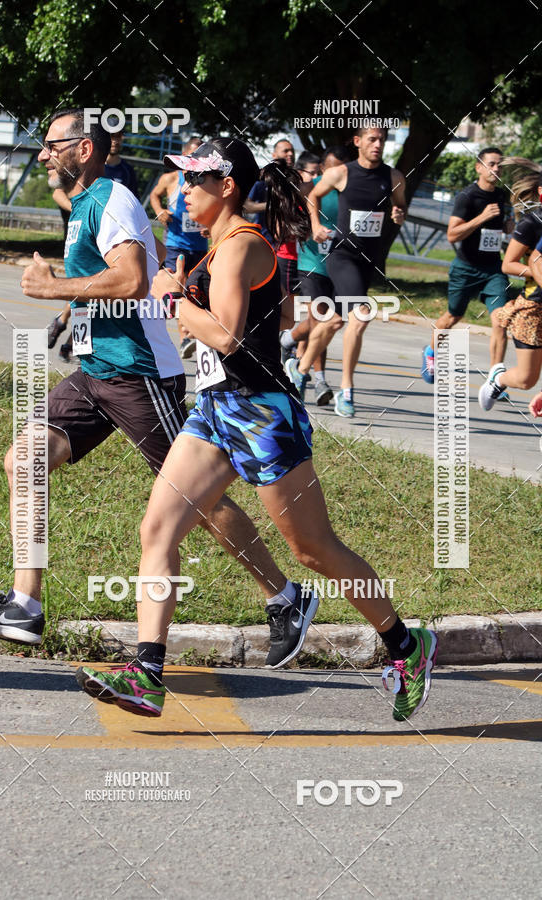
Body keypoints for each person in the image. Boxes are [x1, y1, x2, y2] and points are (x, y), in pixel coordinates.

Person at [75, 137, 438, 723]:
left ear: (227, 187)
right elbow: (275, 317)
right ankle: (147, 672)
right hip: (216, 408)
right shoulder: (214, 249)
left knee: (313, 550)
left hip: (265, 413)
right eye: (182, 180)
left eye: (195, 181)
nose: (183, 190)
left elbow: (224, 336)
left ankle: (405, 645)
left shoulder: (240, 245)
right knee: (158, 528)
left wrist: (171, 299)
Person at [0, 111, 297, 652]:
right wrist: (70, 308)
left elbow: (134, 280)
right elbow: (127, 271)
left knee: (198, 502)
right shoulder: (87, 203)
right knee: (25, 459)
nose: (42, 155)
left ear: (84, 148)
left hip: (139, 373)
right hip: (95, 372)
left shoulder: (111, 198)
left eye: (51, 145)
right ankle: (26, 605)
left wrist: (51, 289)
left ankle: (283, 597)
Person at [286, 127, 406, 415]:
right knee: (361, 316)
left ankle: (300, 371)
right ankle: (346, 391)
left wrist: (398, 214)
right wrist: (315, 226)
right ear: (358, 142)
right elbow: (311, 196)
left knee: (333, 322)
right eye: (372, 140)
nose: (378, 145)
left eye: (382, 140)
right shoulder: (341, 174)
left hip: (368, 261)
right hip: (342, 256)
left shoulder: (394, 177)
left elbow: (400, 206)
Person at [47, 128, 140, 360]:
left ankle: (70, 340)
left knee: (94, 295)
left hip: (111, 240)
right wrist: (82, 212)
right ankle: (70, 335)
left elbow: (131, 204)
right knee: (85, 289)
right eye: (112, 136)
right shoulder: (87, 166)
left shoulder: (127, 171)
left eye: (120, 137)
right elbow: (58, 194)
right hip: (86, 235)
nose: (116, 141)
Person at [422, 147, 511, 384]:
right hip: (466, 267)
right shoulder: (467, 197)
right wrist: (481, 217)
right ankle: (430, 353)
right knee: (452, 316)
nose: (496, 169)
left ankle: (495, 380)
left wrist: (509, 225)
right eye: (491, 164)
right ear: (479, 167)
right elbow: (452, 235)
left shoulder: (502, 196)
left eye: (500, 165)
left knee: (501, 321)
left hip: (493, 269)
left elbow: (501, 228)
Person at [280, 145, 351, 405]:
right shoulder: (310, 190)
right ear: (323, 169)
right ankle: (316, 377)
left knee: (327, 324)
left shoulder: (352, 191)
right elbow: (286, 218)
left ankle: (290, 341)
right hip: (311, 262)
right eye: (332, 168)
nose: (337, 174)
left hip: (341, 265)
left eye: (341, 169)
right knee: (322, 316)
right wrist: (311, 228)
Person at [479, 158, 542, 408]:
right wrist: (535, 273)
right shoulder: (532, 223)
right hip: (533, 309)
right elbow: (508, 264)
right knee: (527, 380)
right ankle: (498, 379)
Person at [149, 136, 209, 358]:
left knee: (195, 293)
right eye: (192, 155)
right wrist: (159, 210)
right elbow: (154, 194)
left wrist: (210, 227)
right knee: (175, 291)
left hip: (200, 247)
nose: (195, 160)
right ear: (184, 155)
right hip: (176, 245)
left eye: (200, 156)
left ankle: (189, 336)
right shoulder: (171, 178)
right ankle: (183, 338)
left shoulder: (206, 181)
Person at [245, 138, 299, 332]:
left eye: (292, 151)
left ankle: (281, 338)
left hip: (284, 247)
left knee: (284, 297)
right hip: (262, 243)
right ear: (274, 155)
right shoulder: (263, 180)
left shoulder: (293, 182)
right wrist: (272, 206)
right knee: (262, 291)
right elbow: (247, 204)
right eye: (285, 151)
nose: (290, 155)